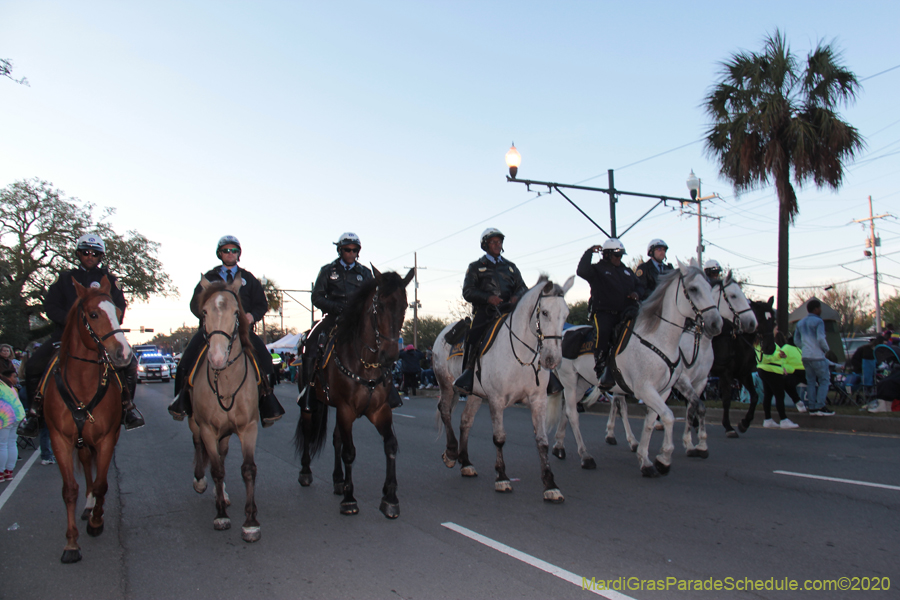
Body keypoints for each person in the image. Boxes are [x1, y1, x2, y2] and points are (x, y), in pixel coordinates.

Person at [19, 234, 144, 438]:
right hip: (66, 335)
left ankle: (127, 408)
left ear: (100, 257)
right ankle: (34, 414)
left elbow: (120, 306)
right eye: (85, 252)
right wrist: (71, 321)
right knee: (33, 367)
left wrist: (108, 323)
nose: (89, 256)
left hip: (101, 336)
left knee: (129, 364)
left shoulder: (109, 281)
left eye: (94, 253)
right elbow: (51, 306)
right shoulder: (65, 279)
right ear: (78, 254)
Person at [167, 236, 285, 426]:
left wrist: (251, 316)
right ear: (219, 254)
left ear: (239, 254)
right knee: (186, 359)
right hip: (212, 331)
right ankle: (180, 400)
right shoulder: (210, 277)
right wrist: (208, 317)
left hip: (242, 330)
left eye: (234, 251)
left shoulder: (248, 279)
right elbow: (194, 304)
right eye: (226, 250)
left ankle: (267, 402)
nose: (230, 254)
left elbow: (261, 304)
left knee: (265, 359)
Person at [299, 232, 403, 408]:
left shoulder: (364, 272)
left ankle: (389, 388)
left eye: (355, 250)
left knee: (380, 344)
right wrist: (335, 307)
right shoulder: (327, 271)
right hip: (333, 317)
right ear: (340, 250)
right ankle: (308, 389)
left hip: (358, 320)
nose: (351, 253)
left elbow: (373, 297)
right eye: (347, 250)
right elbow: (317, 297)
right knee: (310, 342)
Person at [454, 228, 528, 394]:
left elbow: (523, 287)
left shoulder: (510, 267)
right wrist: (488, 298)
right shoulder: (475, 267)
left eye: (499, 241)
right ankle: (468, 373)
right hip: (487, 311)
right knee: (474, 335)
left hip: (510, 310)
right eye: (493, 242)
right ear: (485, 245)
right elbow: (468, 291)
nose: (497, 244)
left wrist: (516, 296)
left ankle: (544, 372)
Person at [576, 238, 644, 388]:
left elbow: (640, 286)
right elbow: (581, 271)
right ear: (606, 255)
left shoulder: (626, 271)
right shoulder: (597, 270)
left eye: (621, 256)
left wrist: (636, 294)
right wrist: (589, 252)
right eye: (616, 255)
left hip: (627, 312)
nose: (619, 259)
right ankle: (601, 369)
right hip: (604, 312)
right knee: (604, 333)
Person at [793, 299, 835, 416]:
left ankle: (812, 407)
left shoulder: (800, 323)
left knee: (810, 381)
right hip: (817, 356)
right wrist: (826, 350)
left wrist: (804, 347)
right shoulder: (818, 321)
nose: (820, 310)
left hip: (806, 356)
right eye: (819, 308)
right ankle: (820, 406)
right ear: (816, 309)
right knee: (824, 380)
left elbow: (796, 340)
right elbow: (821, 338)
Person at [750, 329, 799, 429]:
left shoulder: (761, 342)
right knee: (779, 394)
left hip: (766, 369)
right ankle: (783, 419)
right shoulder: (765, 342)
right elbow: (765, 356)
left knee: (768, 394)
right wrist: (778, 355)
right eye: (775, 328)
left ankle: (768, 419)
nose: (777, 330)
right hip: (771, 370)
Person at [1, 368, 26, 482]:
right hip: (17, 416)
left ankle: (1, 472)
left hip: (4, 417)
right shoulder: (10, 387)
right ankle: (9, 471)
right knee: (11, 443)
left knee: (2, 445)